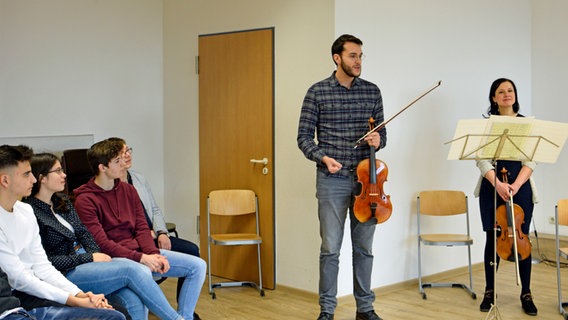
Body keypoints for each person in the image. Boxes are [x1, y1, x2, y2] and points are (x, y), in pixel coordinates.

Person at [25, 152, 190, 320]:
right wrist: (90, 258)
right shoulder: (30, 212)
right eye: (58, 171)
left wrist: (96, 255)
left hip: (86, 260)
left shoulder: (62, 201)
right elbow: (47, 262)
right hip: (64, 272)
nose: (64, 175)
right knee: (134, 269)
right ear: (42, 178)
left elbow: (84, 233)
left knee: (133, 299)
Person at [297, 34, 387, 320]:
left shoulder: (372, 92)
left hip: (368, 182)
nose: (358, 61)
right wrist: (322, 157)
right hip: (331, 180)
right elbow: (303, 138)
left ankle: (365, 309)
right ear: (337, 57)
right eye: (352, 56)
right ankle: (326, 311)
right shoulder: (317, 92)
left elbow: (382, 134)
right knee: (330, 249)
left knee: (364, 249)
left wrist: (377, 140)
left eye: (360, 56)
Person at [73, 138, 206, 320]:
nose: (124, 163)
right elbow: (101, 243)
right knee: (141, 275)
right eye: (117, 161)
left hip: (139, 253)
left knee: (198, 266)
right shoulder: (85, 200)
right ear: (102, 167)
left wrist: (153, 254)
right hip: (115, 259)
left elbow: (142, 228)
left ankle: (186, 316)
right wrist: (142, 258)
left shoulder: (128, 190)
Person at [0, 144, 125, 320]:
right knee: (110, 315)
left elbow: (43, 267)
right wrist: (74, 300)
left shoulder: (26, 211)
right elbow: (19, 279)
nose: (33, 180)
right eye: (27, 174)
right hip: (20, 297)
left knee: (117, 309)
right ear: (5, 181)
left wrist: (81, 294)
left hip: (40, 286)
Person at [109, 137, 200, 303]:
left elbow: (155, 209)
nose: (128, 155)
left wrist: (162, 232)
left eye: (128, 150)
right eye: (122, 154)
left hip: (154, 234)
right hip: (136, 240)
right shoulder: (109, 187)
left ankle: (185, 308)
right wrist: (146, 235)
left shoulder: (138, 178)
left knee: (192, 251)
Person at [475, 78, 538, 316]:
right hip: (493, 187)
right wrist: (499, 184)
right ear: (493, 97)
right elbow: (480, 159)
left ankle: (527, 293)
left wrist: (516, 184)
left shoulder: (527, 124)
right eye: (500, 91)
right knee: (493, 240)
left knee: (522, 240)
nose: (506, 94)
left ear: (515, 94)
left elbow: (532, 159)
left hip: (521, 188)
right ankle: (490, 292)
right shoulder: (487, 125)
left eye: (510, 90)